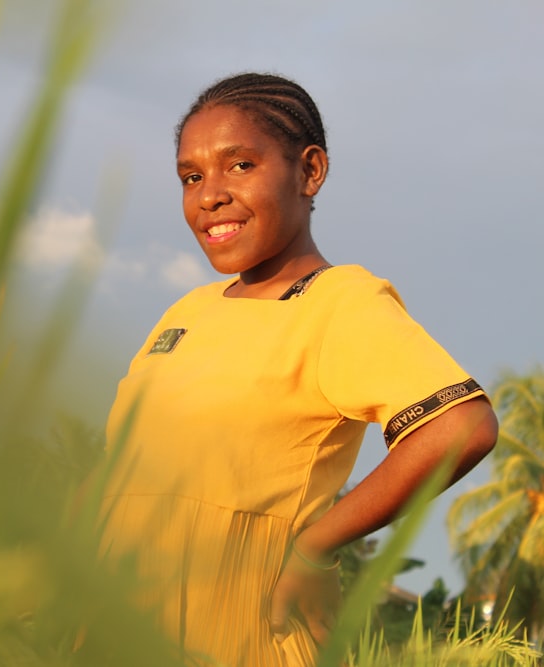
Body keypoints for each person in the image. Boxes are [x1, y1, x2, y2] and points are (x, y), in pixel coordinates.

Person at [99, 72, 498, 666]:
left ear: (310, 171)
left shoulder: (341, 302)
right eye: (191, 176)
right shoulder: (186, 312)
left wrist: (315, 547)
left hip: (237, 632)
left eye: (239, 166)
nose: (209, 195)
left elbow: (461, 426)